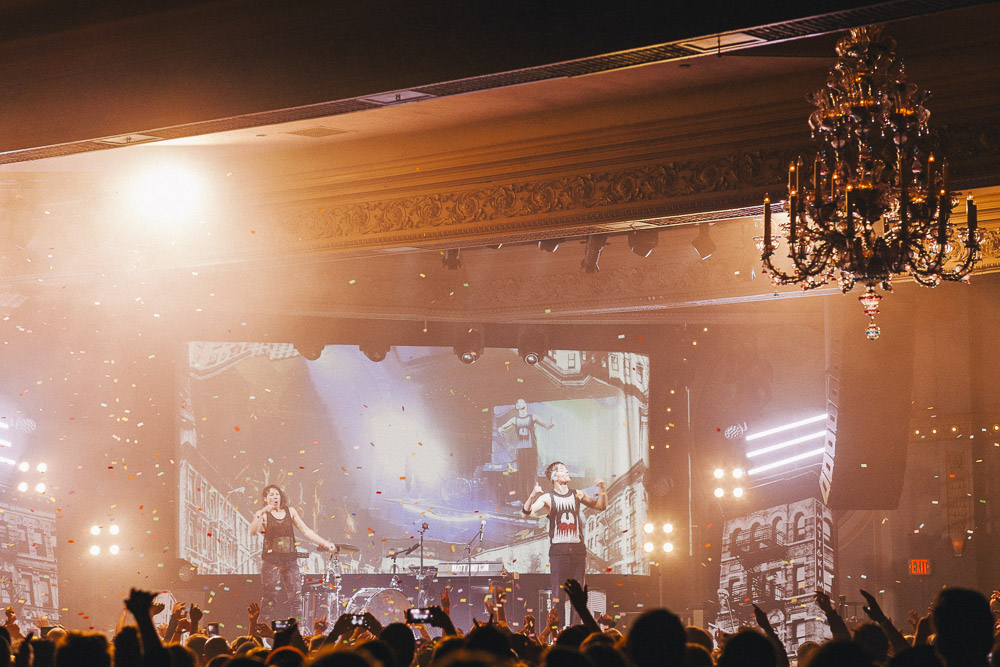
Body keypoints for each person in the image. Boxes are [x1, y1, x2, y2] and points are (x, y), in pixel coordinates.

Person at [521, 461, 606, 622]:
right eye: (562, 470)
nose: (567, 472)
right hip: (559, 552)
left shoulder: (578, 494)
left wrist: (602, 489)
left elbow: (601, 506)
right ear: (554, 477)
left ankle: (576, 631)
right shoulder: (548, 497)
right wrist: (532, 496)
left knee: (578, 596)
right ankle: (557, 634)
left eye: (566, 470)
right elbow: (526, 514)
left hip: (578, 550)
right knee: (558, 595)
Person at [248, 484, 338, 622]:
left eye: (277, 494)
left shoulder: (291, 512)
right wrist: (261, 512)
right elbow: (253, 530)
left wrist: (325, 543)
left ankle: (294, 632)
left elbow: (306, 531)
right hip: (271, 562)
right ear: (265, 499)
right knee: (269, 600)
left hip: (290, 561)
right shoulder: (264, 515)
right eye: (271, 494)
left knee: (296, 600)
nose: (275, 497)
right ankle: (260, 633)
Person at [499, 398, 555, 498]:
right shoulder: (514, 419)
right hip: (521, 450)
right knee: (523, 475)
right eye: (518, 402)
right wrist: (500, 429)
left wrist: (551, 424)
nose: (521, 403)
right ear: (516, 406)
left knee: (532, 475)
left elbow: (547, 426)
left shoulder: (533, 417)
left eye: (522, 401)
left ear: (526, 404)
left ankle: (533, 498)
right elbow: (502, 427)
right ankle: (524, 499)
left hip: (531, 450)